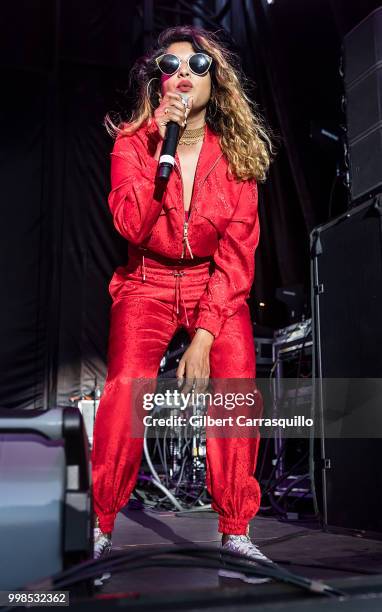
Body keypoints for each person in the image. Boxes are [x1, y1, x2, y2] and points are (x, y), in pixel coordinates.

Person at [91, 24, 274, 579]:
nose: (183, 77)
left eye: (196, 67)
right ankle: (99, 525)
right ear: (157, 83)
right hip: (146, 279)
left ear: (214, 82)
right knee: (125, 386)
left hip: (211, 283)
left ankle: (235, 533)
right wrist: (161, 149)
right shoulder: (134, 144)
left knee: (237, 380)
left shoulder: (237, 157)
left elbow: (238, 256)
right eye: (169, 68)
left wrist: (206, 334)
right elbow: (131, 223)